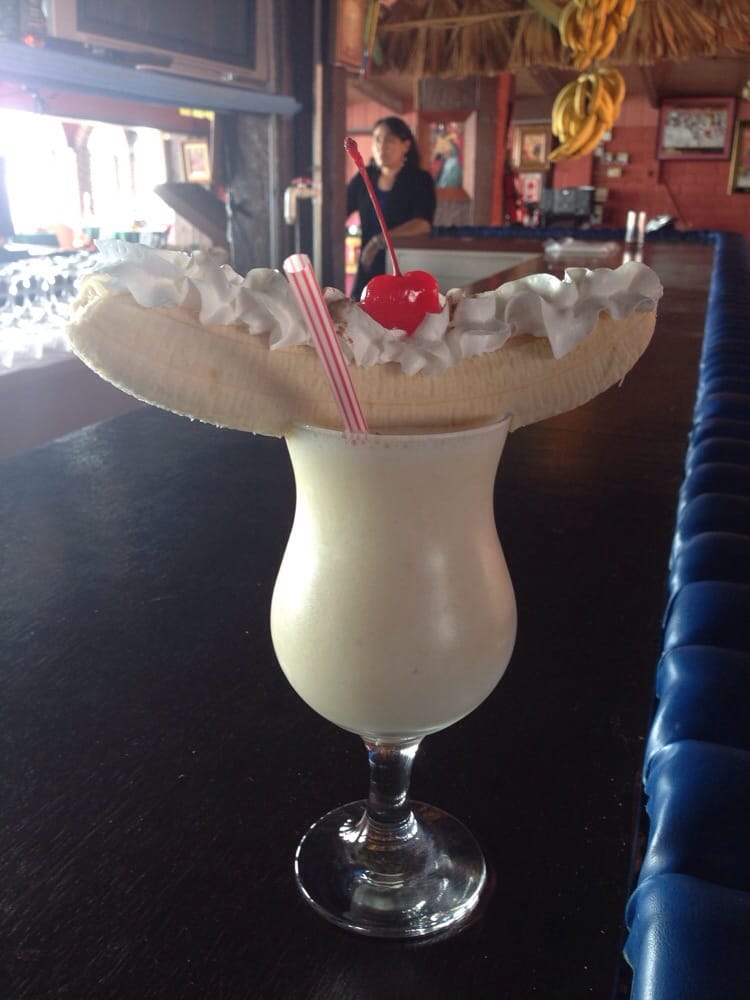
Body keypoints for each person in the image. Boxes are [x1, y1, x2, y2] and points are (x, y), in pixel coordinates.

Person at [346, 116, 436, 300]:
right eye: (377, 139)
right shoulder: (365, 177)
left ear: (406, 145)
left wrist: (379, 240)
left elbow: (422, 224)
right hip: (368, 265)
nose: (382, 146)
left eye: (389, 140)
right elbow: (340, 209)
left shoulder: (419, 179)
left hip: (403, 264)